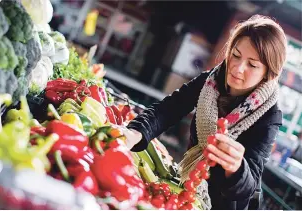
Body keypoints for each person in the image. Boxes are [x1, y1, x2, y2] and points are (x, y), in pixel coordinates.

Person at [120, 15, 287, 210]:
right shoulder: (211, 82)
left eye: (252, 64)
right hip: (188, 190)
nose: (237, 68)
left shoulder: (269, 116)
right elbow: (168, 109)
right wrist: (134, 133)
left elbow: (248, 188)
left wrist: (236, 168)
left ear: (268, 73)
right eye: (235, 55)